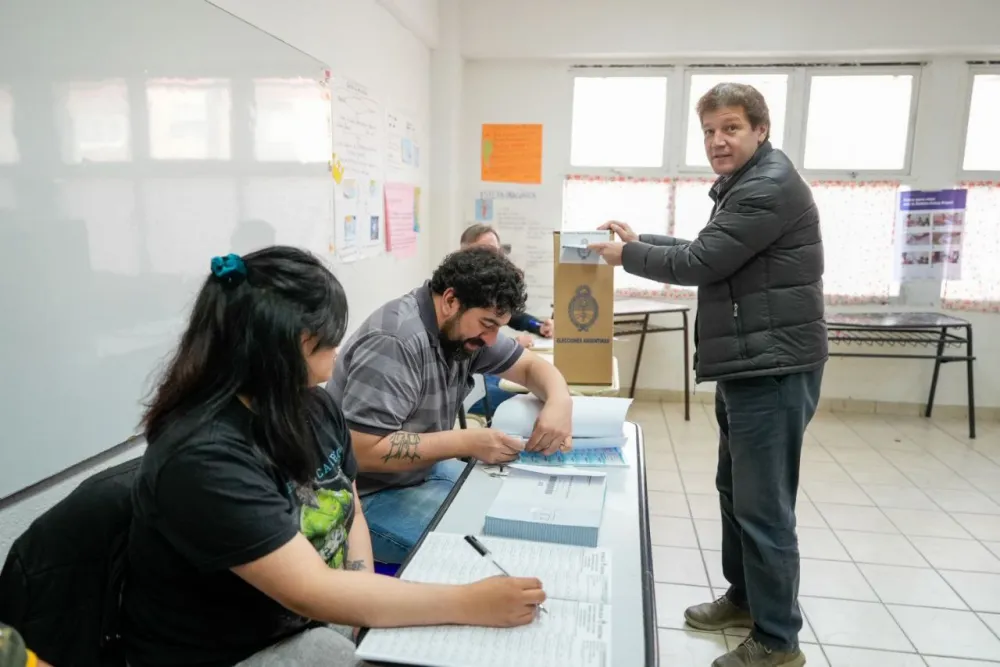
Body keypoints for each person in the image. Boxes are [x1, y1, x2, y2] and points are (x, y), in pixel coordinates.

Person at [121, 246, 547, 667]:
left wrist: (362, 593)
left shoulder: (314, 407)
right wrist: (468, 604)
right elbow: (310, 589)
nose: (341, 354)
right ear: (291, 345)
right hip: (238, 645)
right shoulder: (205, 458)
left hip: (308, 613)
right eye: (330, 342)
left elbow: (351, 507)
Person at [589, 83, 826, 667]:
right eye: (710, 132)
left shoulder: (767, 187)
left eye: (731, 128)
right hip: (750, 364)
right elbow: (710, 248)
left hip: (771, 368)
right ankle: (746, 598)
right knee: (735, 493)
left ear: (760, 130)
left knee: (764, 506)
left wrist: (628, 257)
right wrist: (644, 243)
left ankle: (778, 641)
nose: (718, 141)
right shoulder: (747, 184)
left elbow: (700, 263)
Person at [328, 246, 573, 565]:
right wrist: (468, 441)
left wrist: (559, 399)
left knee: (516, 514)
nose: (490, 339)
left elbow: (529, 367)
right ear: (450, 301)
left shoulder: (463, 330)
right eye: (487, 324)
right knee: (498, 551)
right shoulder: (396, 342)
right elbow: (362, 449)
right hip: (364, 497)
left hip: (417, 473)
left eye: (498, 327)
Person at [458, 223, 554, 417]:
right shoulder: (459, 297)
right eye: (484, 254)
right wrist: (515, 344)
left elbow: (514, 317)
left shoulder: (490, 289)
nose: (494, 260)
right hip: (472, 386)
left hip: (491, 376)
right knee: (530, 403)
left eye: (496, 253)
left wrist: (539, 326)